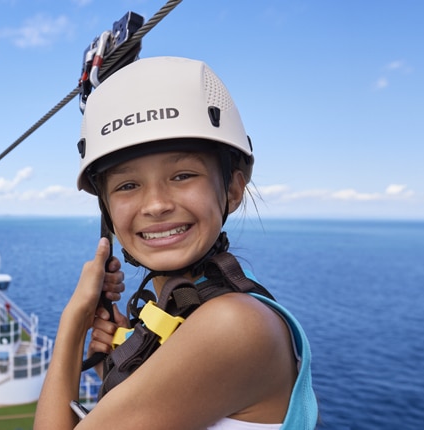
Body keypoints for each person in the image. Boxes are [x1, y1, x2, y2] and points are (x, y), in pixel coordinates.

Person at [36, 56, 316, 429]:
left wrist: (72, 324)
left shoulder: (232, 327)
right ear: (107, 209)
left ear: (232, 189)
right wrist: (121, 359)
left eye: (183, 175)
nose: (156, 205)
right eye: (127, 185)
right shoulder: (192, 310)